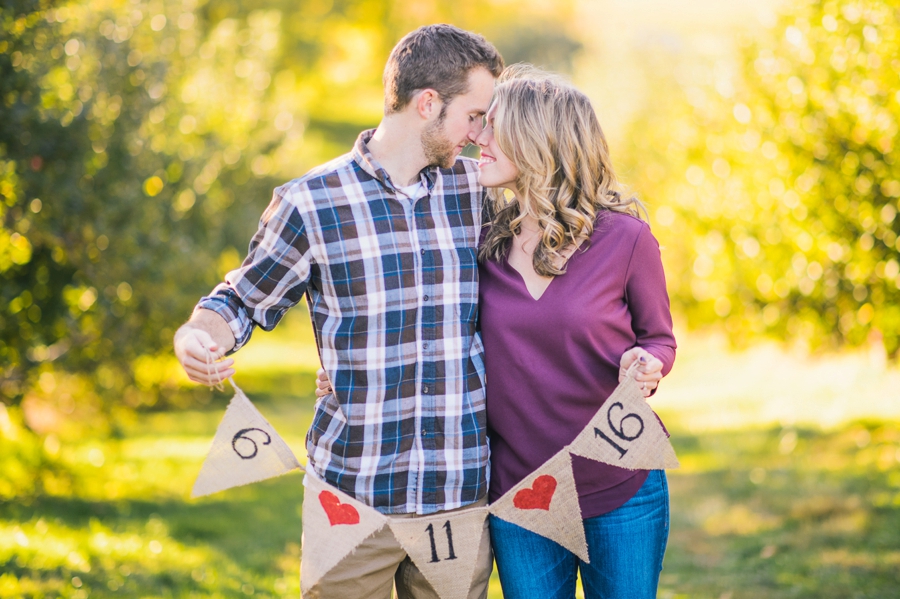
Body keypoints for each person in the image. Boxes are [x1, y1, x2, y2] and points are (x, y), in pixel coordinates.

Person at [173, 25, 504, 599]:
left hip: (457, 495)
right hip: (353, 497)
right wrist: (197, 338)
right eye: (474, 116)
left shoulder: (480, 191)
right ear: (428, 103)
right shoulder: (312, 201)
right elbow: (240, 300)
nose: (480, 136)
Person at [474, 69, 676, 598]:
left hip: (621, 482)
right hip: (522, 492)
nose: (478, 137)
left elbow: (659, 337)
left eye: (494, 127)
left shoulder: (626, 240)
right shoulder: (480, 243)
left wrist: (648, 362)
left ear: (538, 140)